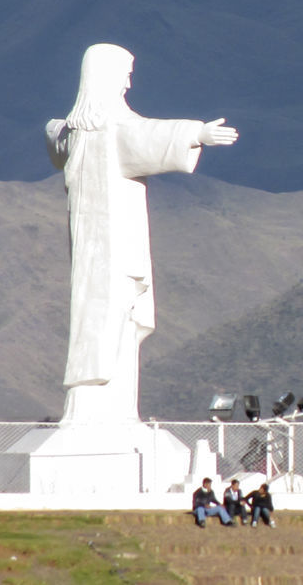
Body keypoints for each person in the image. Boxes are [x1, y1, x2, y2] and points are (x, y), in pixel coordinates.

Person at [45, 43, 238, 424]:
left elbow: (55, 136)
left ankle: (113, 410)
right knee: (111, 319)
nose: (130, 82)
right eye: (126, 72)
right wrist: (197, 132)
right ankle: (97, 411)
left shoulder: (74, 132)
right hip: (112, 249)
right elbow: (144, 135)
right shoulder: (109, 128)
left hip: (98, 247)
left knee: (120, 322)